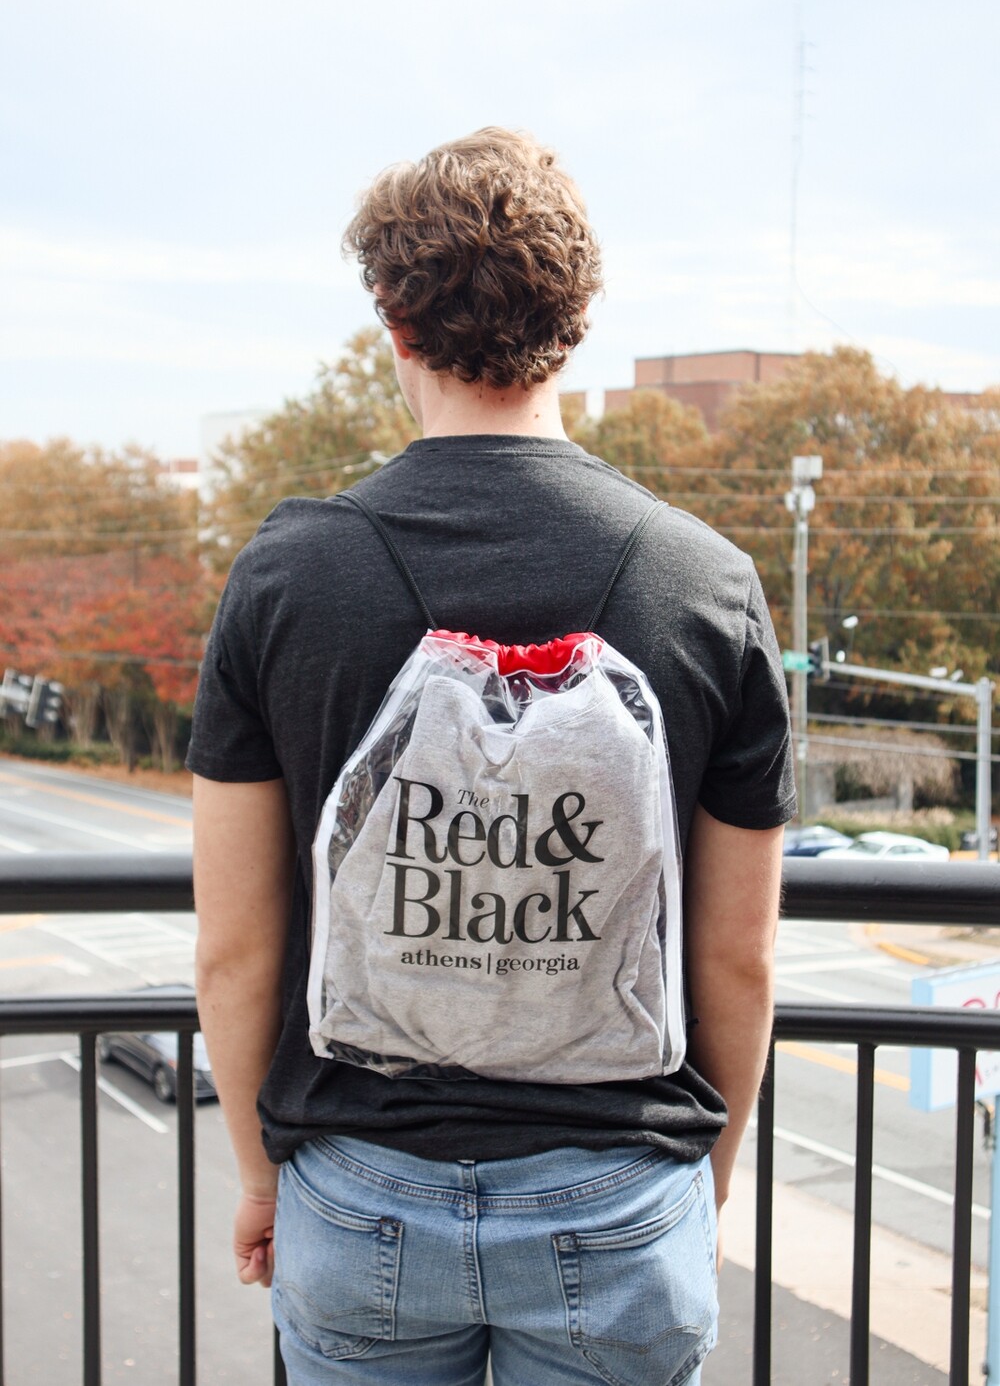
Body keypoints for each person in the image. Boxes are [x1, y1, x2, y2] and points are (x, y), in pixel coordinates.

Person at [188, 127, 795, 1386]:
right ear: (576, 324)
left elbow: (236, 946)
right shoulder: (705, 584)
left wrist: (259, 1174)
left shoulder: (287, 577)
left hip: (359, 1191)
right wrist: (709, 1178)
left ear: (394, 323)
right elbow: (735, 955)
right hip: (619, 1196)